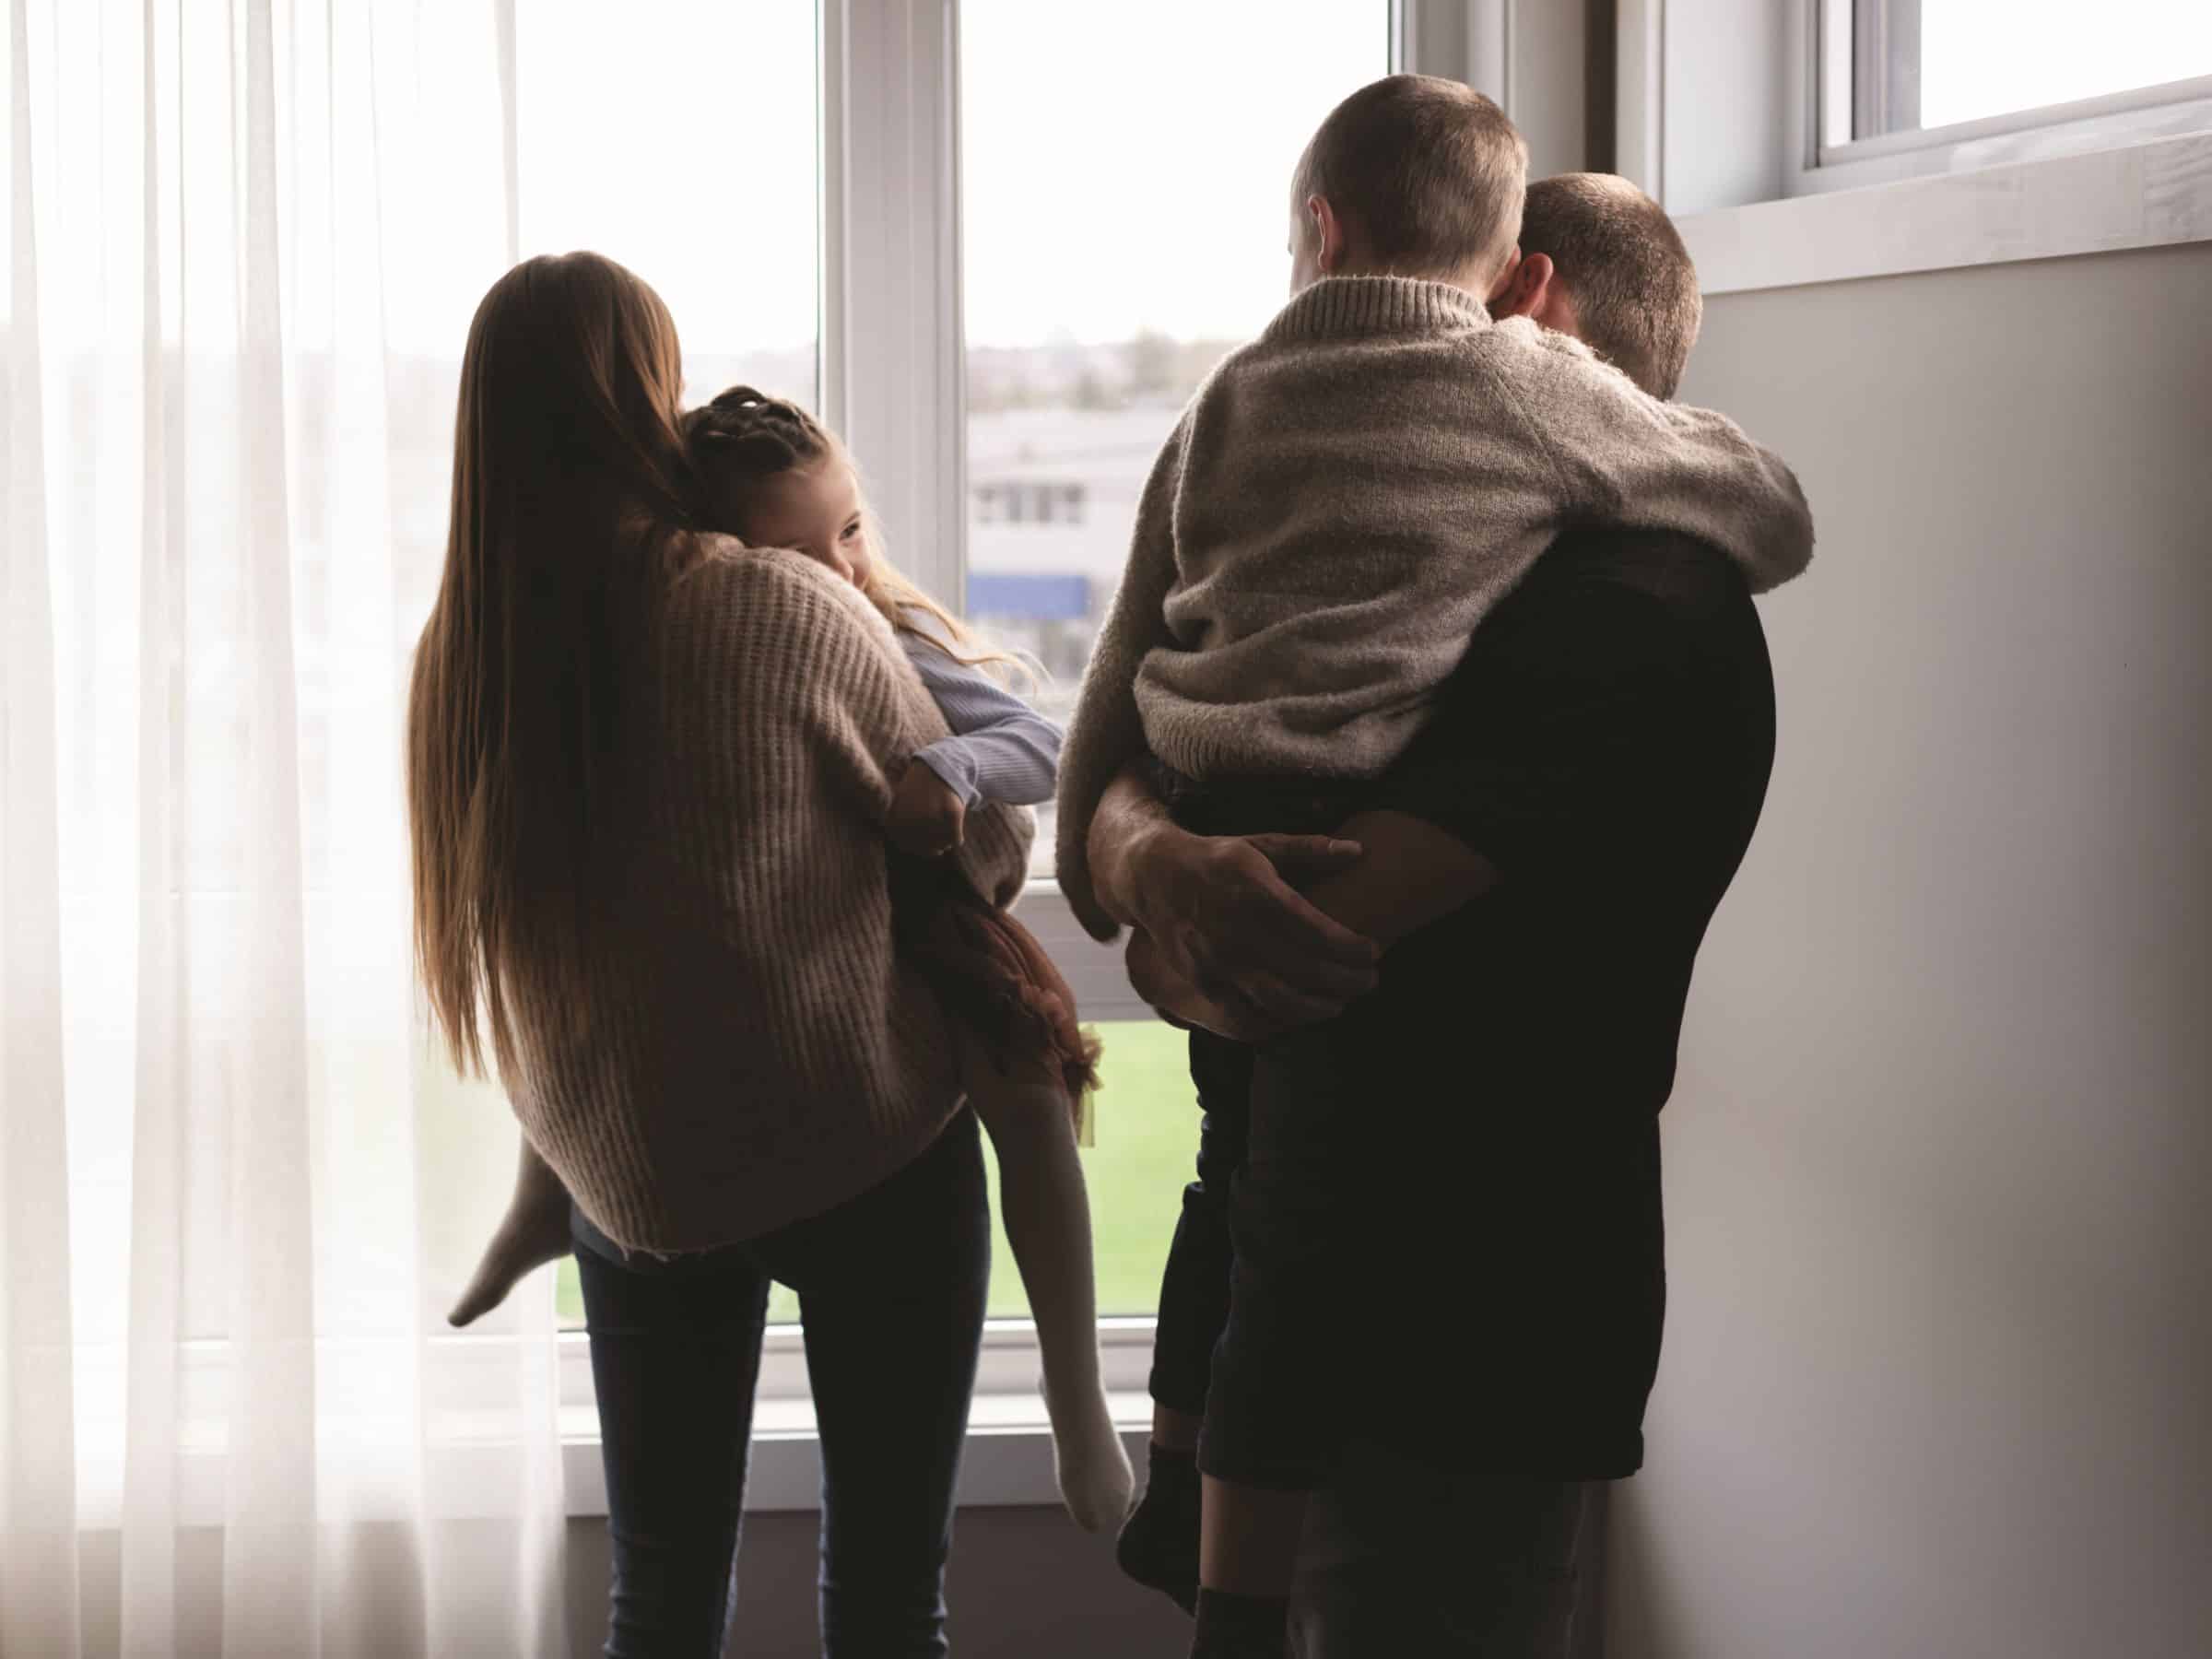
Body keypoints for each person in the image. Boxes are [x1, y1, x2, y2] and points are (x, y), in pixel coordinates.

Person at [1050, 75, 1814, 1656]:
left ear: (1538, 315)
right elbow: (1125, 726)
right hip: (1316, 1306)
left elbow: (1274, 941)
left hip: (1468, 1366)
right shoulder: (1374, 523)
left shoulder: (1639, 612)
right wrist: (1135, 849)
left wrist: (1157, 876)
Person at [407, 252, 1038, 1657]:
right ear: (648, 395)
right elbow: (979, 853)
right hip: (857, 1140)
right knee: (884, 1602)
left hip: (629, 1173)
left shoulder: (465, 665)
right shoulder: (772, 601)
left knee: (662, 1597)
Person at [446, 382, 1135, 1534]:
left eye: (853, 530)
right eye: (803, 554)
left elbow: (1037, 746)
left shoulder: (895, 631)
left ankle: (1078, 1406)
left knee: (1023, 1083)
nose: (847, 569)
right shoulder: (703, 633)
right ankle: (540, 1195)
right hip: (752, 966)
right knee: (598, 973)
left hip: (916, 922)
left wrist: (948, 775)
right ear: (725, 557)